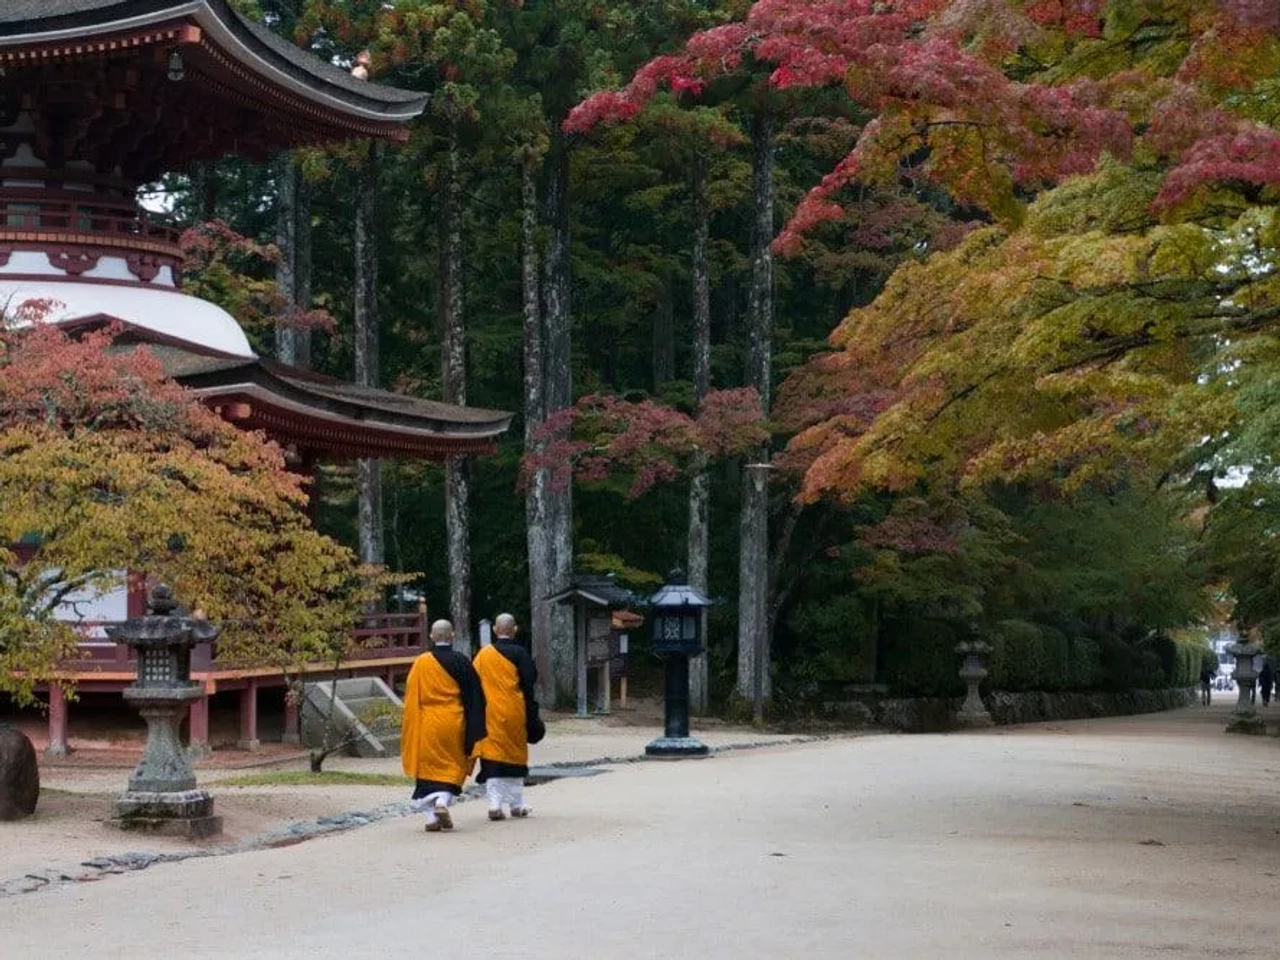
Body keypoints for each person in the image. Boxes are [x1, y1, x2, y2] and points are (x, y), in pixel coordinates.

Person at [400, 620, 486, 832]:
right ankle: (441, 803)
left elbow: (411, 697)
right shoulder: (461, 661)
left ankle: (430, 817)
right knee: (452, 767)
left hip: (428, 723)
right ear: (453, 635)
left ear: (431, 636)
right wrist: (474, 725)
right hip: (453, 721)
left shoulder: (421, 662)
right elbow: (476, 696)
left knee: (428, 772)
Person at [471, 613, 545, 821]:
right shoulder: (520, 653)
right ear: (515, 630)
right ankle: (516, 803)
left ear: (495, 630)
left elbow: (473, 681)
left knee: (492, 756)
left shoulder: (484, 655)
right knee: (515, 755)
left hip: (489, 712)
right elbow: (529, 681)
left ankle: (495, 803)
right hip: (514, 710)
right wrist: (532, 711)